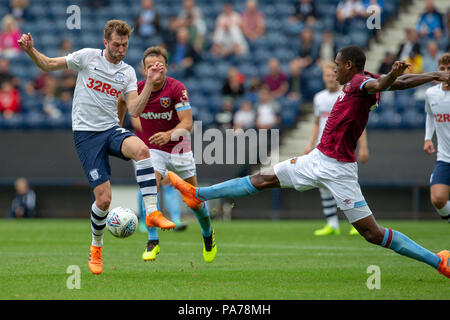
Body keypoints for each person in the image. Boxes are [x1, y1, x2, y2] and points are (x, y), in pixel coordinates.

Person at [167, 46, 450, 279]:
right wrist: (434, 75)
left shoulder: (359, 82)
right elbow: (395, 83)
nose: (333, 69)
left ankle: (437, 261)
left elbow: (385, 83)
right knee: (264, 178)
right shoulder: (363, 80)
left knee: (372, 233)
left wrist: (394, 76)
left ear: (350, 65)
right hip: (317, 158)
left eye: (337, 65)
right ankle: (197, 195)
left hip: (340, 170)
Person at [17, 20, 175, 275]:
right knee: (104, 200)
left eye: (125, 45)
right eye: (116, 44)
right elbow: (47, 64)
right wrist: (30, 51)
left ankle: (153, 212)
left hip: (110, 130)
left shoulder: (128, 73)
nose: (121, 49)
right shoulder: (87, 58)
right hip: (86, 136)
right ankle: (96, 247)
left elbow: (134, 109)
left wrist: (150, 82)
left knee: (143, 151)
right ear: (106, 43)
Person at [118, 46, 216, 263]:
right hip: (152, 148)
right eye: (150, 66)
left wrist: (169, 135)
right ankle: (153, 242)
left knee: (194, 200)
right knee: (150, 187)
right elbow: (124, 101)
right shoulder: (138, 88)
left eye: (159, 65)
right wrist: (117, 124)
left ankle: (208, 235)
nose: (155, 69)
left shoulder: (176, 88)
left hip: (179, 149)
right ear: (144, 70)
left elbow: (187, 124)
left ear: (166, 68)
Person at [303, 61, 368, 236]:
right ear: (323, 78)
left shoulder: (346, 95)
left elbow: (358, 123)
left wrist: (363, 146)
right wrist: (310, 144)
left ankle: (358, 223)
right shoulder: (319, 98)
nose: (330, 78)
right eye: (327, 76)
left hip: (343, 145)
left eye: (333, 75)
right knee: (322, 185)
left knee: (348, 184)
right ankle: (332, 224)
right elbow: (317, 123)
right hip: (323, 147)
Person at [423, 53, 450, 223]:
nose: (445, 72)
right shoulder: (431, 93)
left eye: (449, 69)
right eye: (442, 69)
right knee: (438, 199)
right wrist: (427, 138)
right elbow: (430, 115)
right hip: (444, 157)